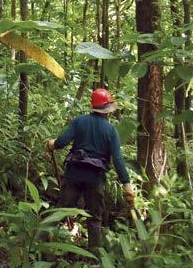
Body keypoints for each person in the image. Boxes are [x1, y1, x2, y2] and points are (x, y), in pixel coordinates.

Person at [45, 88, 135, 253]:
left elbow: (61, 142)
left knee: (60, 211)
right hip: (95, 179)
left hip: (74, 174)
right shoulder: (111, 131)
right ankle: (94, 257)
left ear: (92, 106)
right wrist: (126, 183)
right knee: (95, 218)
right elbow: (118, 159)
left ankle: (39, 245)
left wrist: (52, 143)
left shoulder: (79, 121)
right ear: (108, 110)